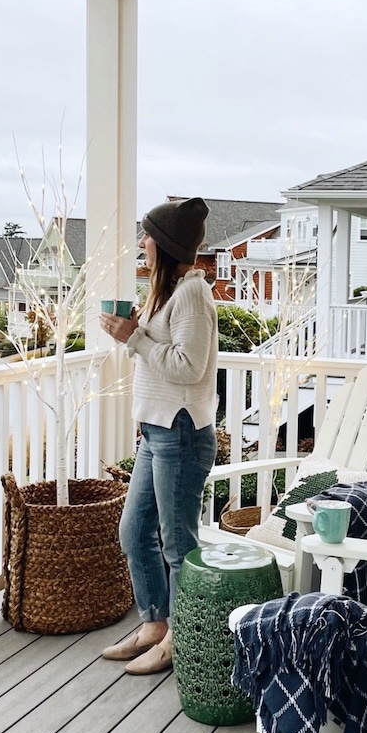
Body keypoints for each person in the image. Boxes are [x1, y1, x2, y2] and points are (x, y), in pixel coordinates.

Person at [99, 197, 218, 674]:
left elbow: (188, 368)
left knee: (177, 545)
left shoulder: (192, 294)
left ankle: (180, 640)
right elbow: (157, 358)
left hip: (182, 433)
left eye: (147, 235)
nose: (142, 243)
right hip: (157, 431)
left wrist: (135, 338)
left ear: (164, 244)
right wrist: (133, 335)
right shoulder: (164, 292)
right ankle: (155, 624)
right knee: (134, 532)